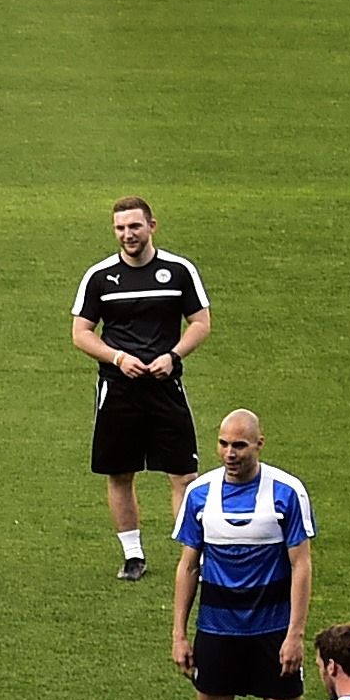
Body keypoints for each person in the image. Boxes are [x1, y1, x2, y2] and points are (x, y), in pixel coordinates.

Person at [168, 412, 315, 700]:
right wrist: (179, 632)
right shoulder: (199, 495)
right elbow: (188, 565)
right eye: (224, 444)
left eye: (239, 446)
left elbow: (301, 565)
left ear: (259, 444)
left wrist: (295, 634)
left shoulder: (287, 493)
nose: (230, 454)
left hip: (272, 632)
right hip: (217, 632)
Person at [72, 197, 210, 580]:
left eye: (134, 226)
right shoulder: (100, 277)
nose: (127, 234)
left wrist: (173, 355)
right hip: (118, 390)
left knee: (183, 475)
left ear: (152, 225)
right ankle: (133, 556)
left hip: (166, 386)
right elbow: (80, 333)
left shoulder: (179, 271)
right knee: (120, 473)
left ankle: (193, 556)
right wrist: (117, 358)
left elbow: (200, 322)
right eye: (120, 228)